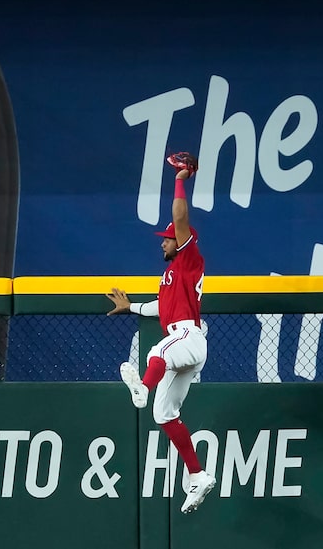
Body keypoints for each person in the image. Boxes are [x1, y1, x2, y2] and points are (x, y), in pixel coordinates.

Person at [105, 151, 216, 515]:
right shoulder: (170, 277)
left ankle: (141, 387)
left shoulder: (188, 258)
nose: (163, 243)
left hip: (189, 337)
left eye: (167, 239)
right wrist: (131, 308)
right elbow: (159, 308)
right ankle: (198, 475)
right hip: (182, 339)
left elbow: (179, 217)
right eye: (165, 240)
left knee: (158, 352)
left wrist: (180, 180)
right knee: (164, 415)